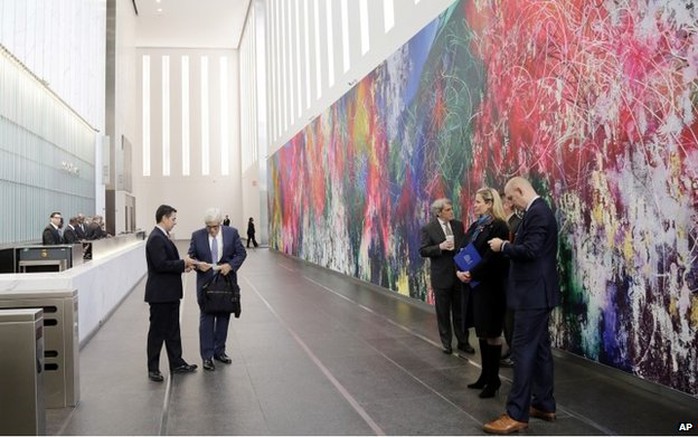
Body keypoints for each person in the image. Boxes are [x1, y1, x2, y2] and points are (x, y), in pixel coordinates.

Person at [483, 177, 561, 434]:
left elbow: (531, 250)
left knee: (523, 350)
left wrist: (503, 246)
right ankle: (544, 404)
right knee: (539, 349)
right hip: (537, 294)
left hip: (533, 296)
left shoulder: (538, 213)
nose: (509, 203)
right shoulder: (537, 212)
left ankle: (516, 414)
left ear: (520, 190)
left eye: (511, 197)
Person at [456, 187, 509, 398]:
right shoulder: (476, 226)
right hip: (474, 285)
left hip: (491, 288)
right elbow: (462, 249)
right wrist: (460, 271)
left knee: (492, 333)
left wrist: (471, 272)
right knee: (482, 332)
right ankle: (485, 375)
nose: (475, 204)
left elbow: (491, 258)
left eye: (478, 201)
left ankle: (493, 380)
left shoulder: (499, 226)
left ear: (489, 203)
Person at [144, 204, 198, 382]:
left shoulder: (163, 237)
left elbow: (168, 263)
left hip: (170, 293)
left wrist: (184, 267)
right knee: (157, 332)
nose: (175, 222)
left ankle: (177, 363)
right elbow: (160, 265)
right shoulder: (156, 239)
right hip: (160, 295)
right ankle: (153, 368)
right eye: (173, 219)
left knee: (173, 330)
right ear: (164, 218)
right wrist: (182, 263)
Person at [188, 208, 247, 371]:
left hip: (226, 282)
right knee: (206, 319)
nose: (212, 230)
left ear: (220, 223)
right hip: (206, 284)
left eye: (215, 226)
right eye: (209, 227)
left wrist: (231, 265)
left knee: (223, 316)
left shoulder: (232, 233)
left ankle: (219, 352)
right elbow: (191, 256)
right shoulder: (197, 236)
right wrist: (199, 265)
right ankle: (207, 357)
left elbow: (241, 253)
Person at [419, 198, 474, 355]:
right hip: (441, 275)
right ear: (439, 212)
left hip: (459, 273)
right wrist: (440, 247)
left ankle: (463, 341)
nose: (452, 212)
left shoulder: (458, 225)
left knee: (460, 311)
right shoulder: (429, 228)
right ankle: (446, 343)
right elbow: (423, 250)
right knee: (443, 311)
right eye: (448, 210)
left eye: (451, 209)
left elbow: (463, 246)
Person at [500, 194, 524, 368]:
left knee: (512, 318)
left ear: (508, 204)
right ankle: (511, 349)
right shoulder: (504, 224)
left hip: (513, 279)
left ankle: (516, 354)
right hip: (504, 278)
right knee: (506, 318)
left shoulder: (518, 224)